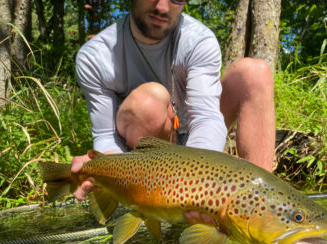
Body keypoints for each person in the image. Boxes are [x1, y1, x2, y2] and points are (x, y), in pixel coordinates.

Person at [71, 0, 275, 225]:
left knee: (254, 73)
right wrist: (105, 164)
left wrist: (199, 181)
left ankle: (262, 206)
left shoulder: (198, 40)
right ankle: (157, 206)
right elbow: (106, 135)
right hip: (147, 155)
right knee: (148, 102)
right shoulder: (95, 56)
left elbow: (207, 117)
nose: (162, 7)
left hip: (197, 145)